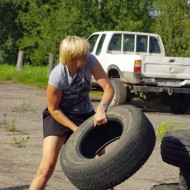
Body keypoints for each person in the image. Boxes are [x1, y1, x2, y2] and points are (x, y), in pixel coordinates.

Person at [29, 35, 115, 190]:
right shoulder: (57, 76)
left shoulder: (91, 61)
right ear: (73, 58)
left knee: (103, 166)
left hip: (85, 114)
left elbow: (109, 88)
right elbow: (53, 109)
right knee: (46, 167)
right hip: (59, 116)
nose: (87, 58)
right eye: (83, 56)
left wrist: (101, 108)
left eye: (86, 54)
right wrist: (76, 130)